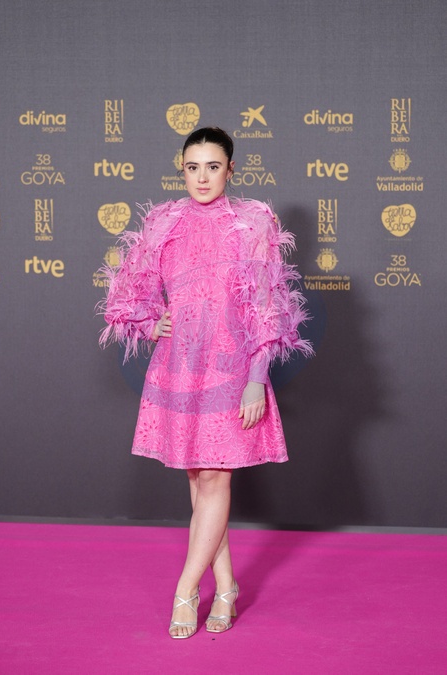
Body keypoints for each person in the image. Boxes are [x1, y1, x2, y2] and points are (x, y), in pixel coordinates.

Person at [99, 127, 312, 639]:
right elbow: (130, 290)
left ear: (230, 170)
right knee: (199, 480)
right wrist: (149, 321)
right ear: (182, 169)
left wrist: (256, 380)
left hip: (233, 367)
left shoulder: (253, 221)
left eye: (212, 167)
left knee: (216, 478)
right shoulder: (163, 221)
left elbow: (267, 305)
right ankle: (228, 586)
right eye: (192, 167)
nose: (202, 177)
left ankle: (185, 590)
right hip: (179, 365)